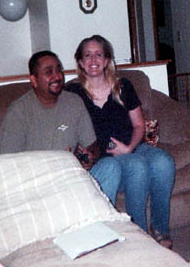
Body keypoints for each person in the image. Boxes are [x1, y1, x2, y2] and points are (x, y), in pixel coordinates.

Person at [65, 35, 175, 248]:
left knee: (164, 162)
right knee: (137, 165)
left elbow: (139, 125)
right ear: (80, 62)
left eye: (99, 54)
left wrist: (130, 147)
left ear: (107, 60)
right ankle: (140, 235)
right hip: (104, 157)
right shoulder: (72, 93)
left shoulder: (123, 86)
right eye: (87, 55)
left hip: (133, 146)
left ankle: (160, 228)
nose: (93, 60)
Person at [0, 50, 121, 203]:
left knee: (111, 166)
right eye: (49, 72)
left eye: (59, 70)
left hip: (73, 177)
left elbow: (92, 146)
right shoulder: (19, 110)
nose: (57, 76)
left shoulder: (74, 102)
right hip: (38, 183)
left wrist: (89, 157)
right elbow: (5, 163)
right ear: (34, 80)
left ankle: (99, 214)